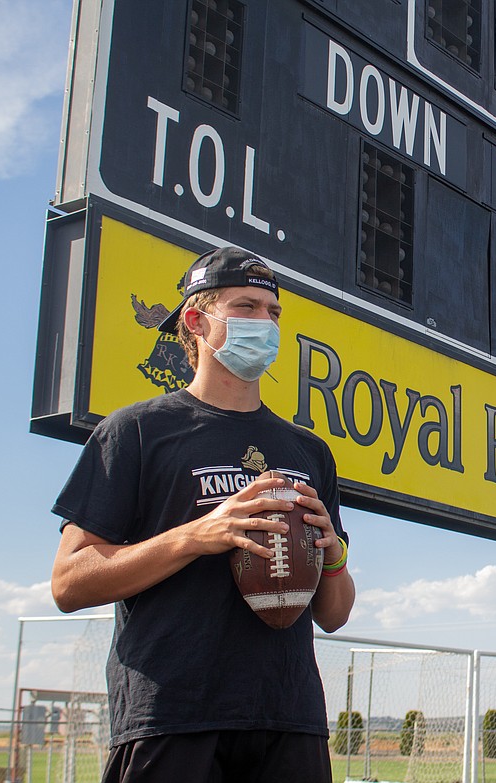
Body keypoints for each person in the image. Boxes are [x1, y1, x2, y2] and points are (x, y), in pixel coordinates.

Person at [50, 246, 356, 783]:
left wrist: (332, 553)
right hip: (173, 718)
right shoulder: (137, 432)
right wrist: (198, 534)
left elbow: (333, 614)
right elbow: (69, 582)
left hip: (289, 718)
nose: (265, 323)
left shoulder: (310, 453)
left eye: (273, 312)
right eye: (247, 307)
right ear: (196, 319)